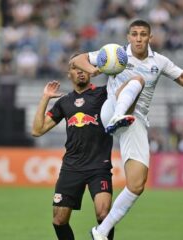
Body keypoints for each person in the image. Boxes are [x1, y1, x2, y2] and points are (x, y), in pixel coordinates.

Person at [71, 19, 183, 240]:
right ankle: (119, 115)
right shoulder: (115, 54)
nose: (138, 38)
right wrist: (93, 69)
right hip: (111, 112)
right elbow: (76, 59)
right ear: (128, 37)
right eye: (134, 34)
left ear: (150, 37)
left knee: (137, 185)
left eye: (143, 34)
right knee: (137, 79)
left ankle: (100, 232)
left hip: (135, 121)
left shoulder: (160, 61)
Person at [31, 54, 115, 240]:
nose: (80, 72)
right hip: (72, 166)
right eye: (76, 68)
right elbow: (37, 130)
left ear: (91, 72)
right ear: (69, 73)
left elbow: (121, 83)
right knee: (59, 220)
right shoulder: (64, 102)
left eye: (84, 68)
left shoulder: (104, 94)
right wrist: (46, 97)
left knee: (104, 215)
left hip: (98, 166)